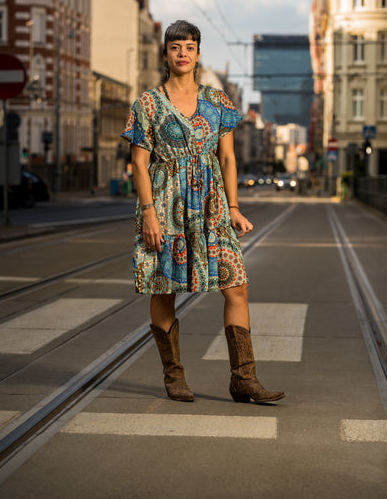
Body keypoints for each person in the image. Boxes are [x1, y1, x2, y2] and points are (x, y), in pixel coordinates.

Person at [121, 20, 285, 404]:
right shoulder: (147, 103)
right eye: (175, 47)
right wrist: (148, 214)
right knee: (164, 289)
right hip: (164, 207)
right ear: (165, 54)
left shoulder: (217, 102)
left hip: (211, 207)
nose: (183, 53)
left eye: (189, 47)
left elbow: (227, 158)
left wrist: (233, 208)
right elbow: (140, 164)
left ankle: (244, 378)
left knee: (237, 287)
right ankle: (174, 375)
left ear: (197, 53)